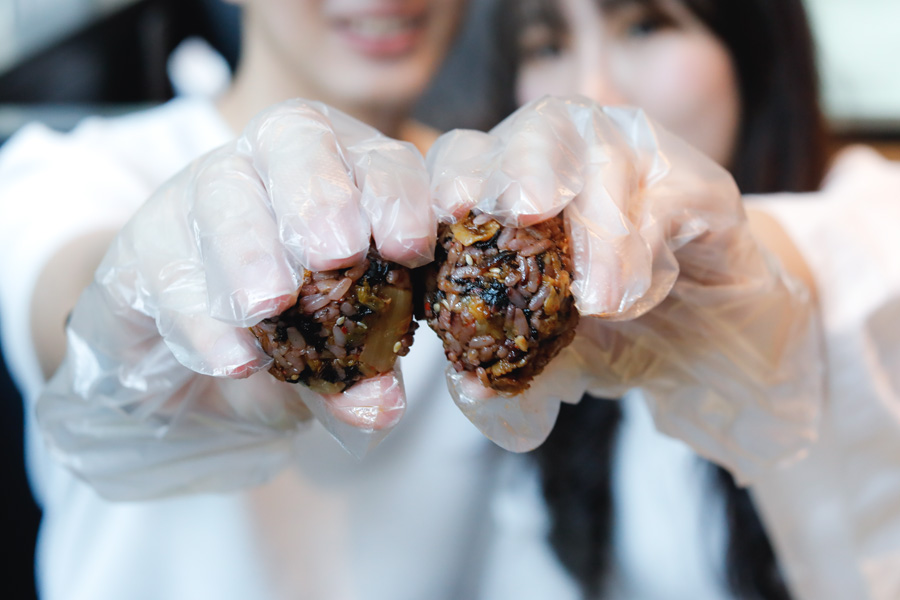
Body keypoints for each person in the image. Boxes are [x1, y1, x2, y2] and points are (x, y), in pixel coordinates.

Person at [481, 1, 900, 599]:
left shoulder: (878, 220)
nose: (589, 93)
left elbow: (845, 267)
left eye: (646, 25)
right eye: (548, 46)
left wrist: (729, 267)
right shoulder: (558, 321)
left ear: (755, 46)